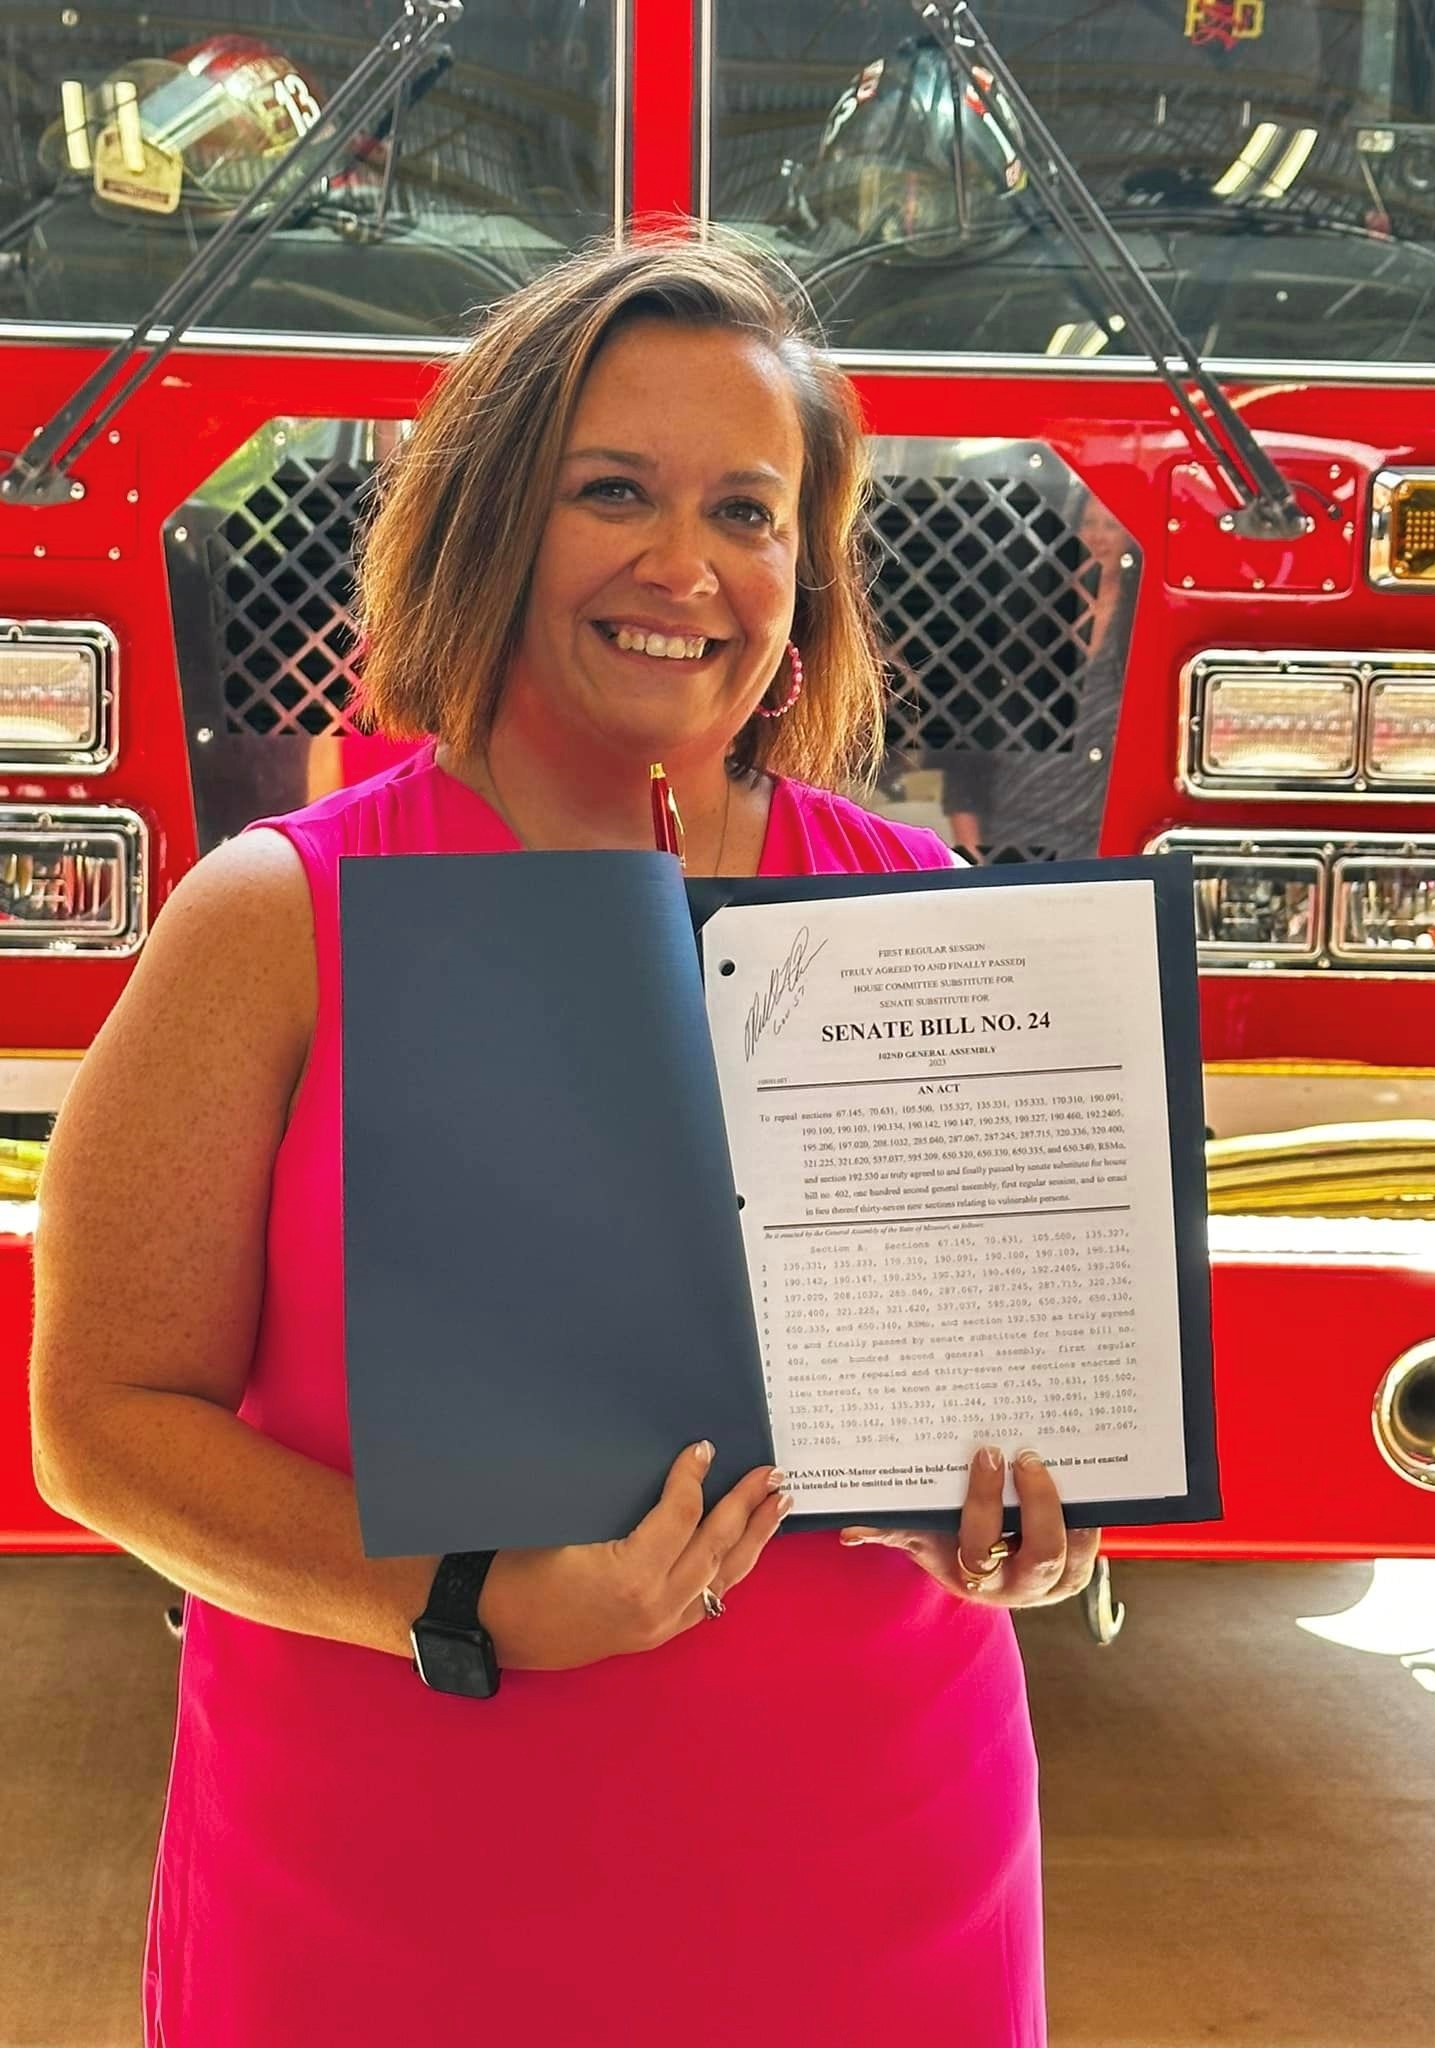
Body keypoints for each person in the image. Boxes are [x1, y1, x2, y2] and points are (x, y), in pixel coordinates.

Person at [30, 229, 1099, 2048]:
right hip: (389, 1895)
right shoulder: (276, 916)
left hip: (878, 1884)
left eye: (749, 514)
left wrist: (1046, 1539)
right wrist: (466, 1605)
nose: (684, 567)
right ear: (495, 521)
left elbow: (1037, 1419)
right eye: (614, 492)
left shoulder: (925, 910)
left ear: (808, 571)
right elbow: (97, 1426)